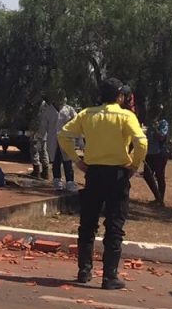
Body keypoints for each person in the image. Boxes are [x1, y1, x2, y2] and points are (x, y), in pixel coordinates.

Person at [58, 78, 147, 290]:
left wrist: (77, 161)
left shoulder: (87, 114)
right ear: (119, 96)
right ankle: (109, 276)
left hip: (94, 173)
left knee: (88, 224)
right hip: (118, 175)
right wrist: (134, 166)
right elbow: (141, 142)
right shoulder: (127, 116)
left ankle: (84, 271)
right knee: (114, 225)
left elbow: (63, 135)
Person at [142, 104, 169, 207]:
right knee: (147, 175)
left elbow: (161, 137)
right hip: (149, 153)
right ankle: (157, 197)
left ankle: (161, 199)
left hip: (159, 153)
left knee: (160, 176)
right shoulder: (148, 123)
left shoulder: (163, 123)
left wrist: (155, 128)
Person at [50, 96, 78, 193]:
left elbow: (77, 120)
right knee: (56, 160)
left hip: (67, 139)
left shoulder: (69, 109)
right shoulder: (50, 110)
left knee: (68, 162)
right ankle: (57, 180)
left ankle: (70, 181)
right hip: (54, 140)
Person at [31, 96, 57, 179]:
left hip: (38, 131)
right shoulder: (48, 107)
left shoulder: (39, 107)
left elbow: (38, 120)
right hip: (44, 132)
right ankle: (45, 172)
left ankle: (36, 171)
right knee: (43, 150)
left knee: (35, 150)